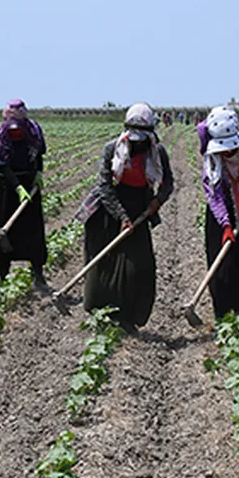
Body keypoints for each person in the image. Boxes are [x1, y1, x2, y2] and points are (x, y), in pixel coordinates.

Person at [74, 102, 174, 332]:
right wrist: (121, 216)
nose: (137, 143)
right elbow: (104, 186)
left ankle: (129, 317)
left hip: (140, 208)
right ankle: (101, 315)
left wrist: (157, 201)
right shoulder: (113, 148)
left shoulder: (157, 151)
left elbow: (168, 182)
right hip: (107, 210)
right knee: (103, 263)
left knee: (139, 266)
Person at [197, 106, 239, 317]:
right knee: (222, 266)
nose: (227, 152)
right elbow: (215, 195)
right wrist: (225, 225)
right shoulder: (211, 159)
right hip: (220, 215)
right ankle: (222, 314)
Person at [0, 99, 49, 290]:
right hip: (5, 188)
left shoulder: (33, 131)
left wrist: (38, 173)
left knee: (34, 231)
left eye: (18, 129)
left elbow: (38, 154)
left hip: (29, 185)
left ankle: (38, 275)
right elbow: (3, 166)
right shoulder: (1, 135)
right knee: (2, 232)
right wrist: (17, 188)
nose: (16, 132)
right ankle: (4, 276)